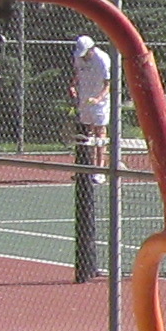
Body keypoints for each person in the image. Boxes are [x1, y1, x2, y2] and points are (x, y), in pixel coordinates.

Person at [69, 35, 114, 284]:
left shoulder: (102, 59)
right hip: (84, 99)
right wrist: (74, 85)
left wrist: (98, 97)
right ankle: (84, 168)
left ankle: (99, 168)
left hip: (99, 102)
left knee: (99, 134)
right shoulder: (79, 58)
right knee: (84, 134)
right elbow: (76, 75)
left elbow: (109, 84)